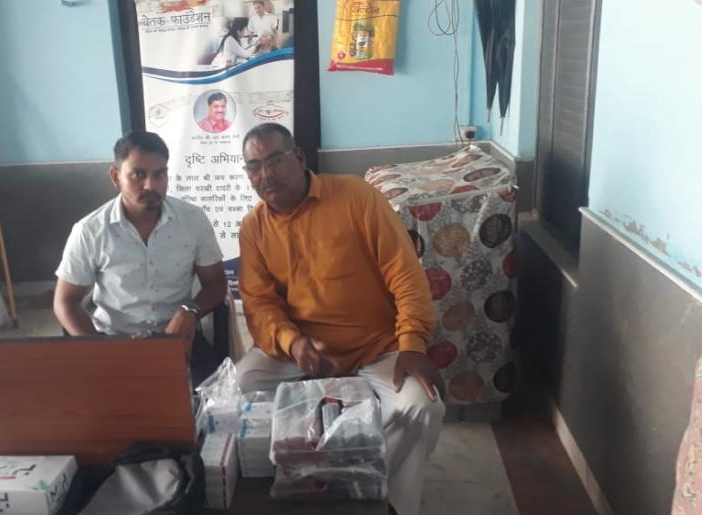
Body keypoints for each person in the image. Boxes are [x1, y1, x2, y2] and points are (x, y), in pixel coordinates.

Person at [235, 123, 445, 515]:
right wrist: (293, 342)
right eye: (254, 166)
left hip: (376, 348)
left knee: (422, 405)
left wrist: (413, 344)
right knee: (243, 385)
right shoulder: (253, 228)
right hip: (303, 351)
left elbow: (405, 274)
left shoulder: (356, 197)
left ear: (299, 158)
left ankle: (383, 498)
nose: (266, 174)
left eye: (275, 160)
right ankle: (298, 484)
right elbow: (260, 305)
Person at [54, 131, 227, 386]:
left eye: (159, 174)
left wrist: (190, 311)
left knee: (212, 403)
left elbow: (216, 283)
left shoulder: (192, 221)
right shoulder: (90, 231)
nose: (150, 185)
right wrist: (98, 351)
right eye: (138, 174)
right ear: (116, 177)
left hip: (178, 336)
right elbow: (65, 302)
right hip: (113, 339)